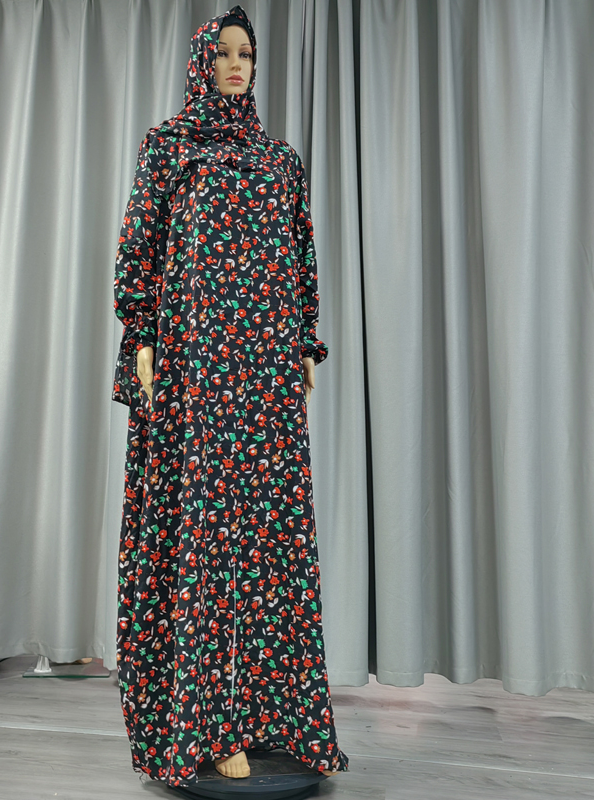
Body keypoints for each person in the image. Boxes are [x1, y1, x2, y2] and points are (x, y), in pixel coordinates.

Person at [112, 4, 348, 787]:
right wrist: (142, 337)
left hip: (267, 369)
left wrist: (304, 340)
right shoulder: (169, 146)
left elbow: (300, 254)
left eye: (246, 53)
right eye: (223, 52)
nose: (236, 64)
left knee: (270, 539)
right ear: (200, 63)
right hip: (197, 365)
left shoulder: (280, 159)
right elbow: (141, 244)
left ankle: (275, 716)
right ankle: (208, 727)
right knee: (208, 536)